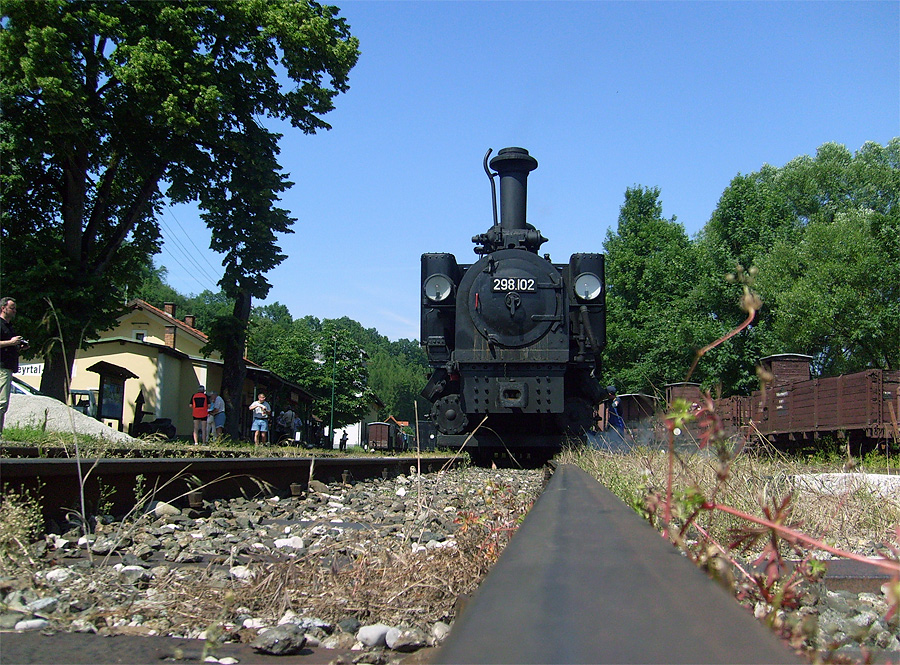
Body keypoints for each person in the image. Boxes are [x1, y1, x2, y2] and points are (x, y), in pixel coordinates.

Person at [0, 297, 28, 435]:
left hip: (7, 367)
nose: (15, 311)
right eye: (12, 308)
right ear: (3, 308)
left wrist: (18, 346)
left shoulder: (9, 327)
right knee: (2, 402)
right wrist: (10, 343)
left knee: (3, 404)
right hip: (1, 368)